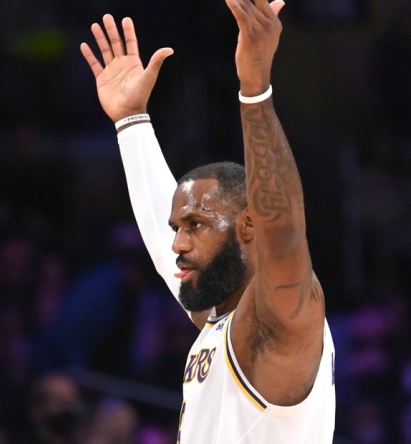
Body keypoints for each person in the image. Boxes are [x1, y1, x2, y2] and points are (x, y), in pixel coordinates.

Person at [79, 0, 336, 441]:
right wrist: (131, 122)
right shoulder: (221, 318)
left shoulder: (283, 321)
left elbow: (286, 230)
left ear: (250, 226)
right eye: (179, 228)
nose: (178, 242)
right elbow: (168, 256)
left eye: (195, 225)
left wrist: (255, 89)